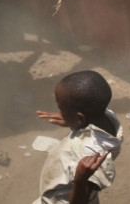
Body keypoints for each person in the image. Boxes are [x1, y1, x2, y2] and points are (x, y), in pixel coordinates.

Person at [35, 70, 122, 204]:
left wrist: (80, 179)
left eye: (62, 109)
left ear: (80, 117)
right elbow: (89, 125)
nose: (60, 113)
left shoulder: (87, 156)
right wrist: (73, 122)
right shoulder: (107, 117)